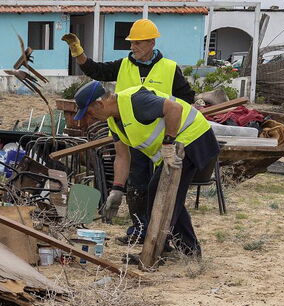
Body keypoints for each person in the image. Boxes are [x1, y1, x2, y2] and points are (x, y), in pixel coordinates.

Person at [62, 19, 197, 244]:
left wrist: (172, 134)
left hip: (161, 137)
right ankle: (139, 229)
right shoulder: (124, 65)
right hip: (131, 132)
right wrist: (78, 53)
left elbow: (186, 101)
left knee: (160, 188)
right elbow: (96, 70)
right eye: (132, 43)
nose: (133, 47)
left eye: (139, 43)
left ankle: (163, 234)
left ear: (152, 42)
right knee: (136, 185)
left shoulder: (170, 69)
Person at [71, 80, 218, 258]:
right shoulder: (114, 121)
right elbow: (122, 156)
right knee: (168, 196)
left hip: (193, 137)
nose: (89, 118)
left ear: (99, 104)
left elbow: (174, 109)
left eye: (89, 113)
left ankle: (156, 251)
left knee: (160, 193)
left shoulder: (135, 100)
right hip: (174, 149)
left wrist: (168, 143)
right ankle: (188, 251)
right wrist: (117, 189)